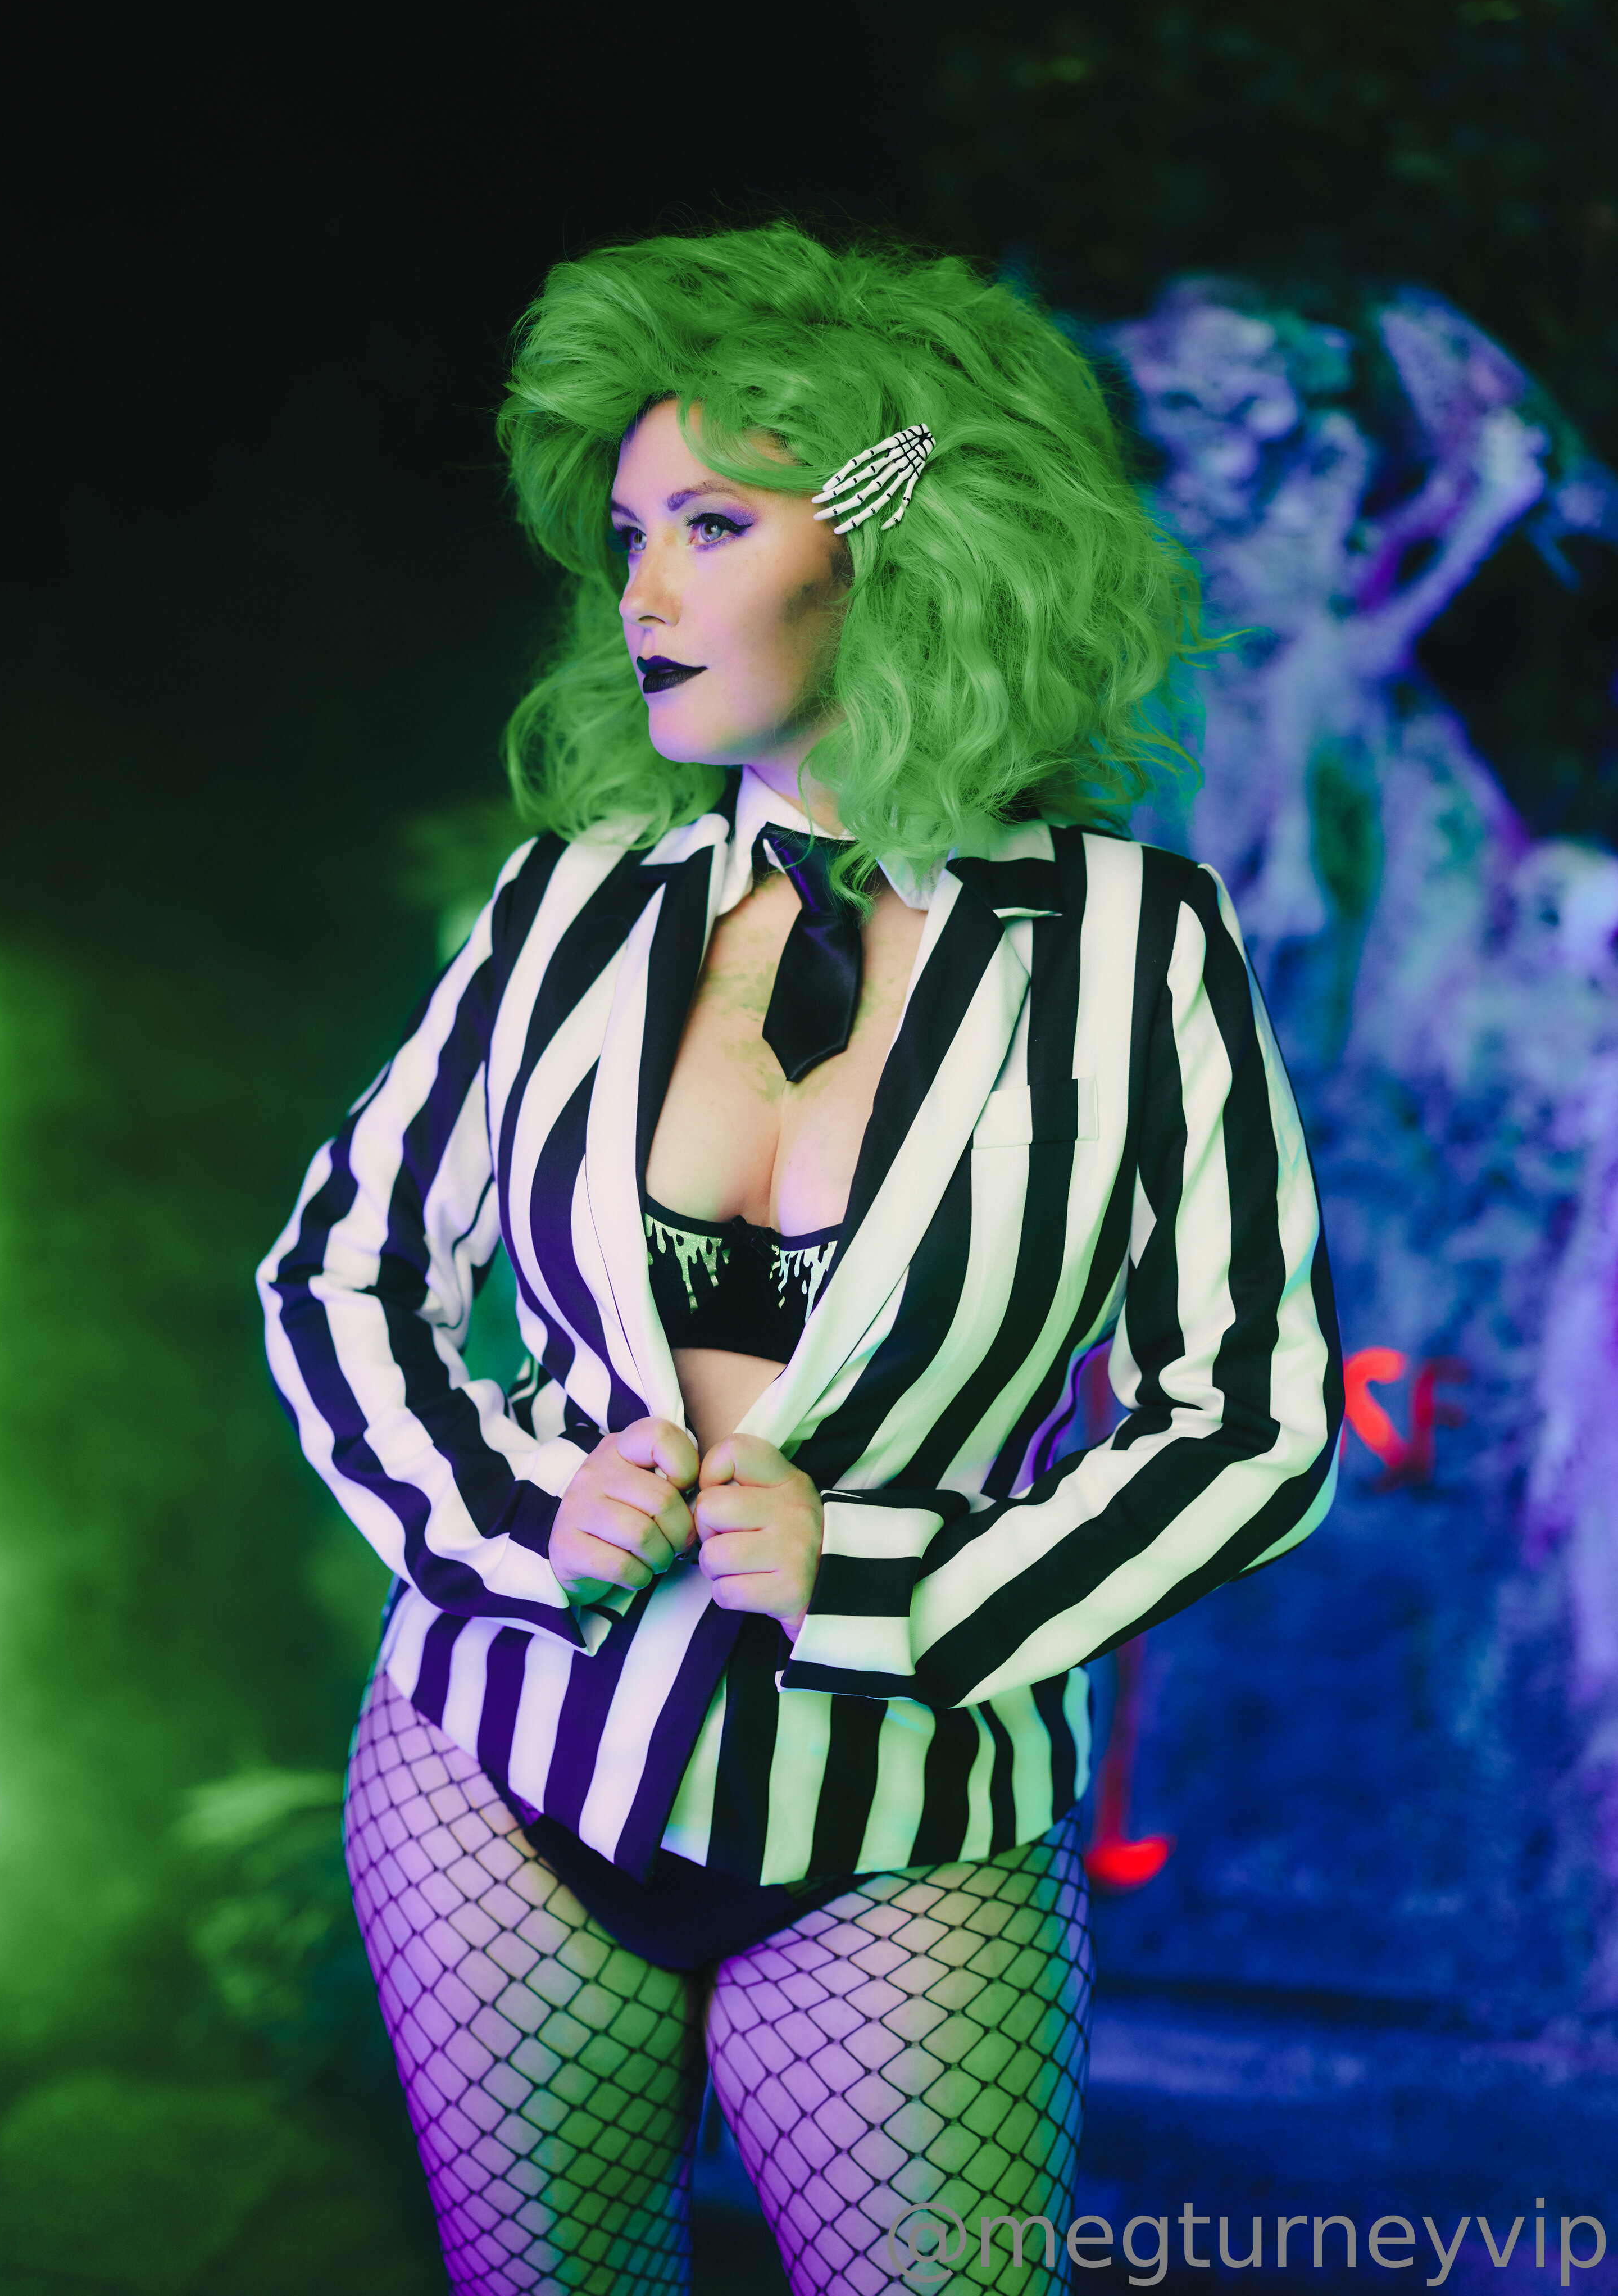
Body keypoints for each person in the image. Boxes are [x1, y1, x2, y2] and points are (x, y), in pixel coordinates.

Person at [258, 223, 1342, 2295]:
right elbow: (338, 1274)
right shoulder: (570, 905)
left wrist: (900, 1581)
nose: (642, 593)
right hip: (498, 1761)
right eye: (629, 535)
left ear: (894, 541)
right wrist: (512, 1517)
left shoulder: (1137, 949)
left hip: (907, 1817)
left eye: (711, 525)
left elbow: (1254, 1421)